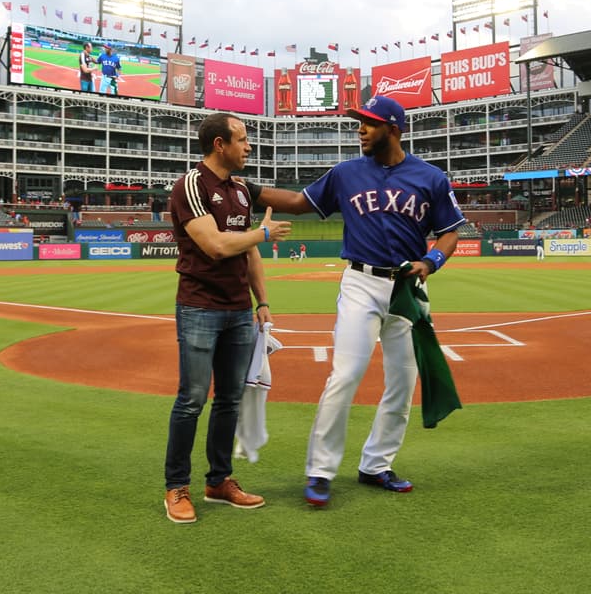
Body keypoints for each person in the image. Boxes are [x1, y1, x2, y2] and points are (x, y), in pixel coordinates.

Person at [251, 95, 465, 508]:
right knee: (345, 374)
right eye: (358, 122)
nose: (360, 129)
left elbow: (451, 231)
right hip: (360, 283)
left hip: (407, 287)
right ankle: (320, 470)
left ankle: (376, 465)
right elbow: (299, 204)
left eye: (368, 123)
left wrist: (432, 259)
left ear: (394, 129)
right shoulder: (346, 173)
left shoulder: (431, 178)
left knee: (402, 383)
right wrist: (249, 188)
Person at [163, 111, 292, 525]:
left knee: (230, 400)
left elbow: (248, 251)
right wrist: (264, 234)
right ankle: (176, 486)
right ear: (219, 144)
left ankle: (219, 480)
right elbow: (217, 246)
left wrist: (263, 302)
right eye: (241, 139)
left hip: (238, 310)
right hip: (200, 307)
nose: (248, 146)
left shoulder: (239, 190)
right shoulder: (191, 185)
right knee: (192, 399)